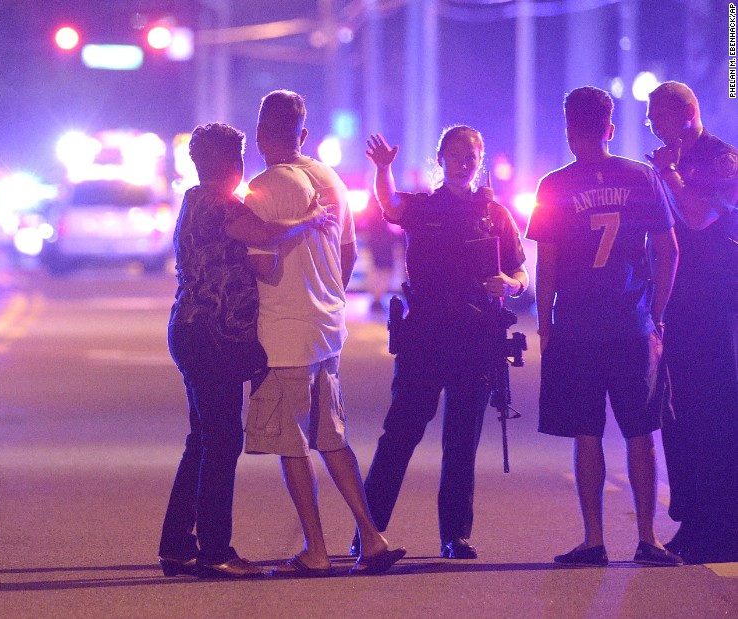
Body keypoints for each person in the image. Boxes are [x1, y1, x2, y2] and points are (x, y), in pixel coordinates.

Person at [159, 122, 335, 579]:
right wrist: (310, 219)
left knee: (201, 440)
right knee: (221, 442)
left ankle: (177, 544)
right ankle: (215, 551)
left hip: (190, 331)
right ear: (233, 164)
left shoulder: (192, 199)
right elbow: (267, 233)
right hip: (213, 339)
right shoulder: (220, 205)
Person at [242, 90, 405, 577]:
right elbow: (348, 254)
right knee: (333, 438)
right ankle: (371, 538)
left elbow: (261, 265)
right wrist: (327, 289)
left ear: (259, 135)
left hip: (283, 333)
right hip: (328, 329)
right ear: (304, 135)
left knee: (292, 444)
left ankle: (315, 549)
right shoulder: (332, 180)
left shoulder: (263, 187)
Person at [356, 125, 529, 561]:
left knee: (460, 441)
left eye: (471, 153)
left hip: (476, 340)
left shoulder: (496, 214)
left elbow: (520, 275)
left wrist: (508, 284)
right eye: (454, 153)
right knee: (400, 433)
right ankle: (368, 530)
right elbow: (390, 206)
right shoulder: (424, 207)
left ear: (481, 158)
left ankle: (455, 535)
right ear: (441, 159)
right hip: (426, 337)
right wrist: (383, 169)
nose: (463, 160)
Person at [527, 86, 681, 567]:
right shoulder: (642, 176)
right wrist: (655, 314)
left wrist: (544, 322)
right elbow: (669, 250)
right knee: (641, 432)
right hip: (631, 324)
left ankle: (593, 540)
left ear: (571, 131)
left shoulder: (553, 185)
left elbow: (545, 261)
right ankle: (647, 539)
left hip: (576, 326)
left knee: (586, 433)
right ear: (610, 129)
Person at [645, 81, 738, 564]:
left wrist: (673, 177)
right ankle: (692, 518)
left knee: (715, 415)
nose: (655, 130)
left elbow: (700, 218)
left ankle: (722, 525)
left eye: (658, 118)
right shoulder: (668, 165)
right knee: (677, 416)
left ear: (687, 113)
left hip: (716, 306)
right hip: (677, 304)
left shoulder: (722, 160)